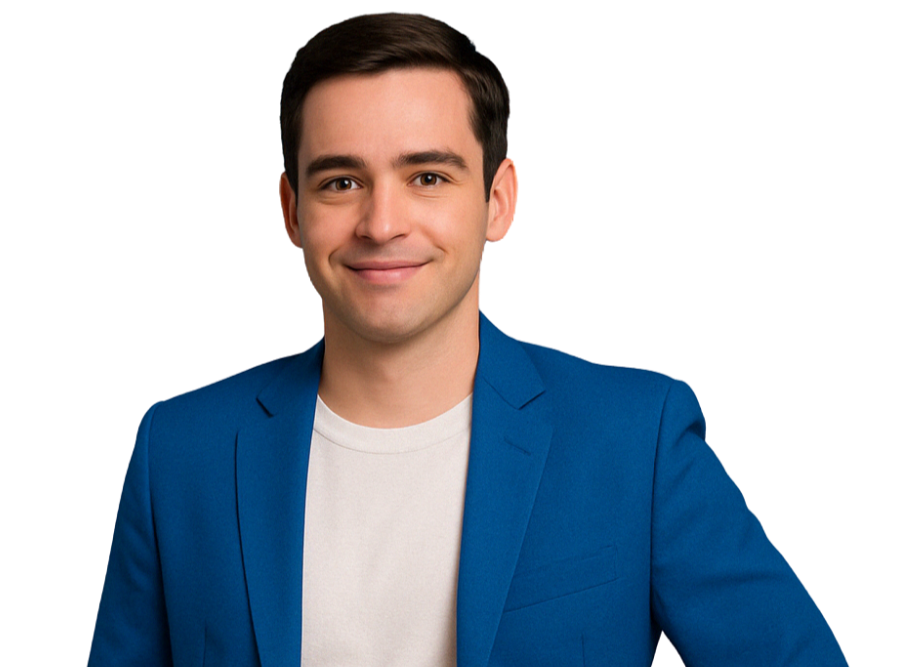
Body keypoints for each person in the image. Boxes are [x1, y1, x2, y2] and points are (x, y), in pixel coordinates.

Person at [87, 12, 849, 666]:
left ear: (499, 200)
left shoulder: (636, 439)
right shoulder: (176, 453)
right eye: (341, 181)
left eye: (427, 176)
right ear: (291, 210)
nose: (382, 223)